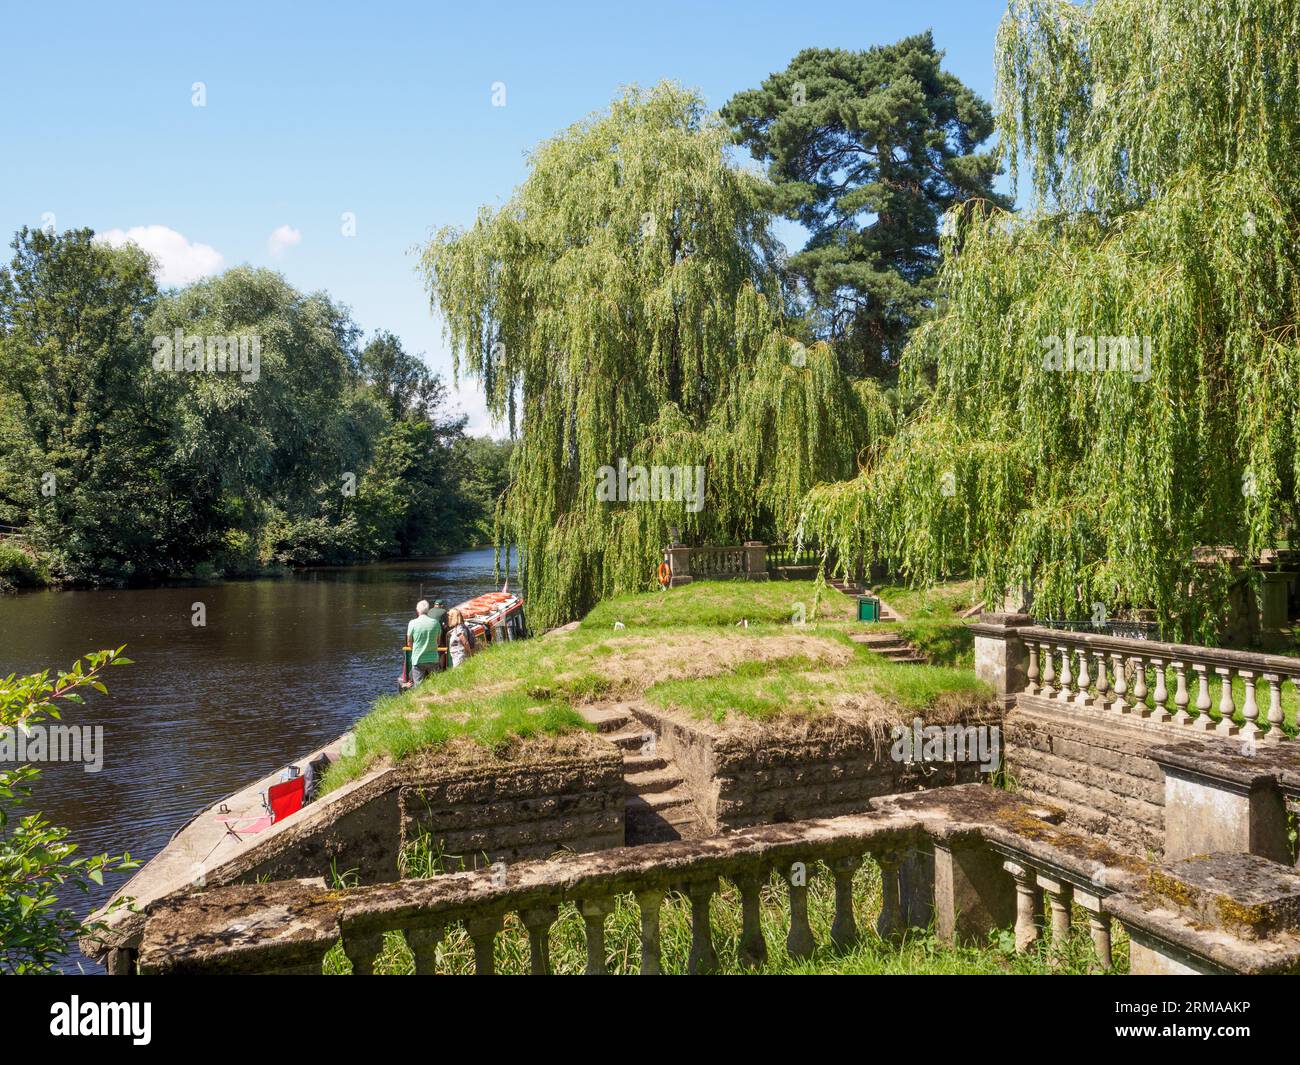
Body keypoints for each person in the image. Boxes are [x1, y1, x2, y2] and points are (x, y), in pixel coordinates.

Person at [406, 599, 446, 683]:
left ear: (417, 610)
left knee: (418, 686)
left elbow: (409, 643)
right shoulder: (435, 623)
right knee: (436, 683)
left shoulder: (412, 623)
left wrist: (416, 649)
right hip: (433, 658)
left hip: (418, 659)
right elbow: (438, 642)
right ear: (428, 610)